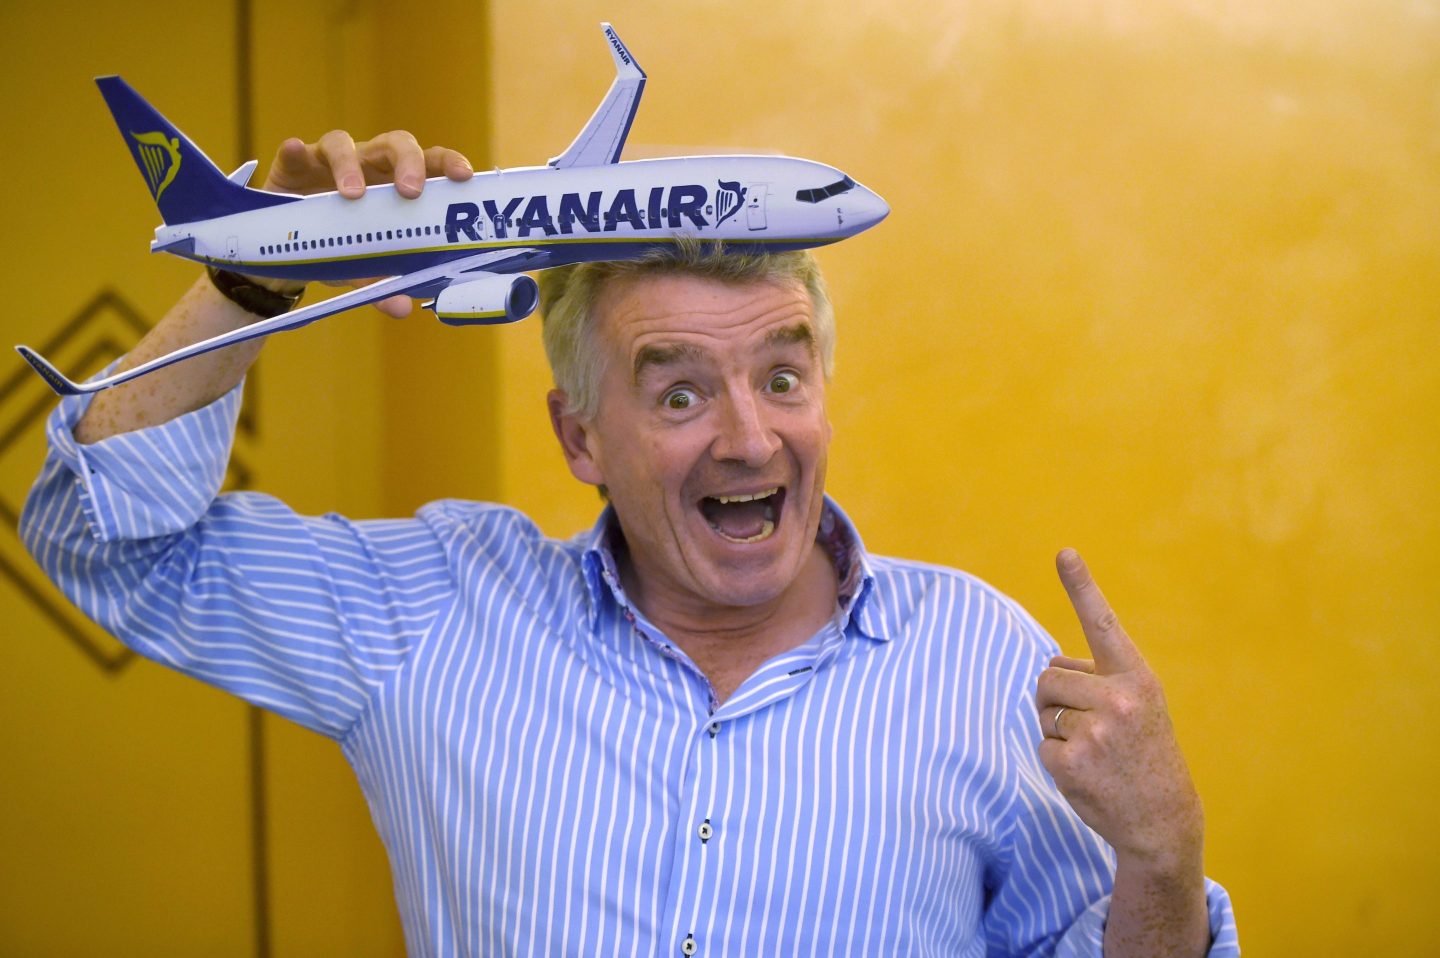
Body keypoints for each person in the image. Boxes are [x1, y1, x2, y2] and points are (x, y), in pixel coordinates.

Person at [22, 129, 1239, 957]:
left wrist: (1163, 852)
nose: (748, 438)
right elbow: (99, 543)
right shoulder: (440, 608)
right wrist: (246, 275)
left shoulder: (982, 658)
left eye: (782, 373)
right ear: (578, 434)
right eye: (677, 393)